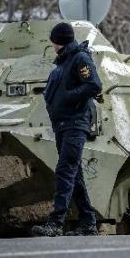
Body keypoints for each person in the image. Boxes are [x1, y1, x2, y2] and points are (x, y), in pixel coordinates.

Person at [31, 22, 102, 237]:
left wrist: (67, 97)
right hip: (62, 125)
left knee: (65, 170)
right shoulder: (62, 63)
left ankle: (56, 223)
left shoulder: (80, 58)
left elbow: (94, 85)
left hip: (75, 123)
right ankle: (88, 221)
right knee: (74, 173)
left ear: (57, 41)